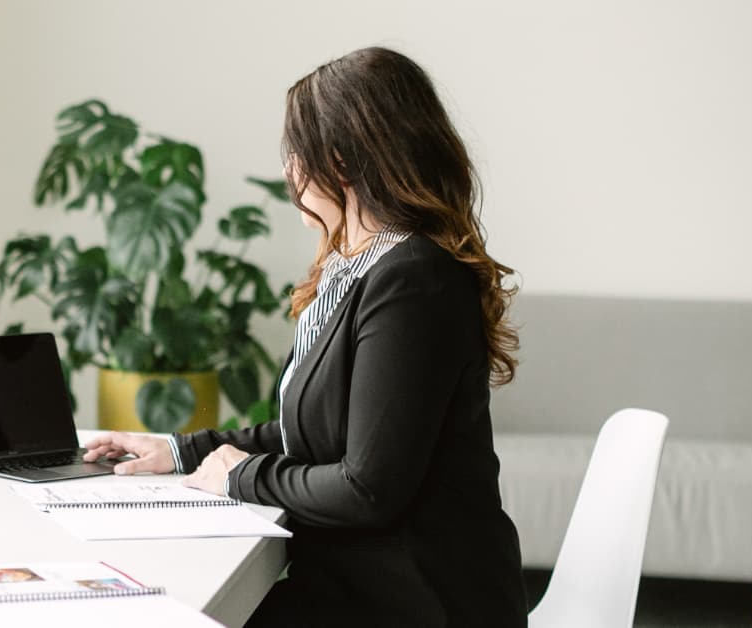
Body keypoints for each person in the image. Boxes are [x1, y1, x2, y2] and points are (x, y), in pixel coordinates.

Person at [83, 46, 527, 627]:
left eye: (296, 152)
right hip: (358, 586)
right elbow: (320, 432)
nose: (289, 172)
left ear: (340, 160)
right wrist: (178, 451)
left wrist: (238, 477)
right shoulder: (362, 270)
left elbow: (367, 489)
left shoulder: (412, 281)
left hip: (417, 602)